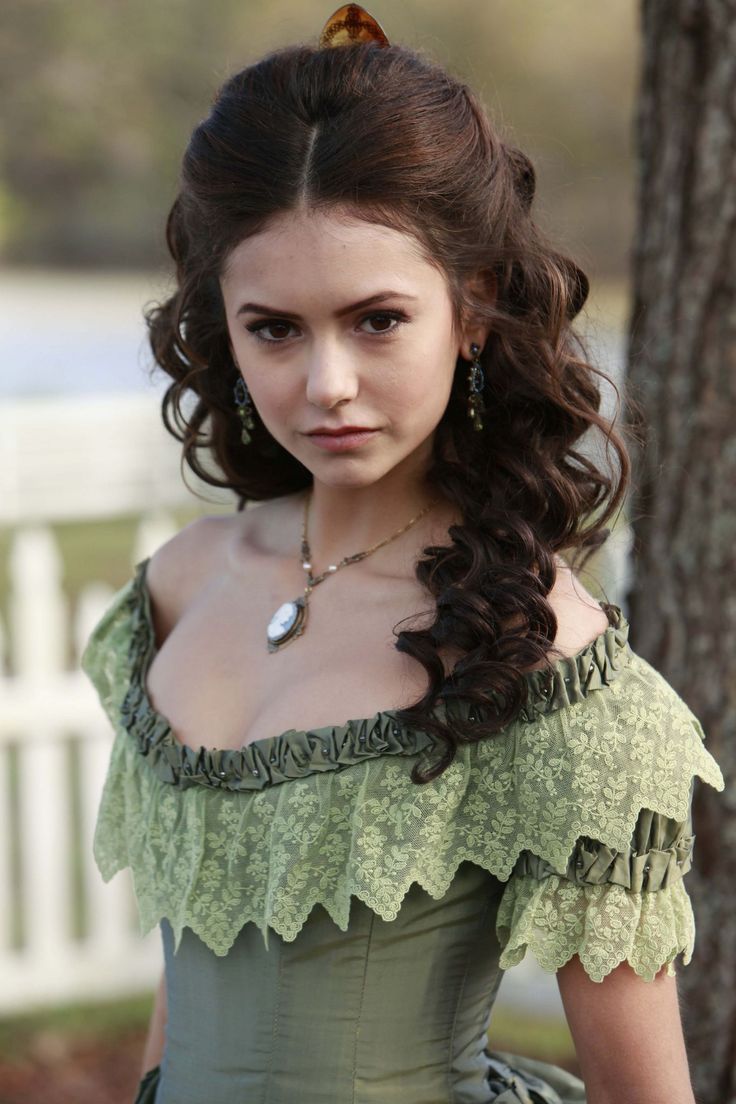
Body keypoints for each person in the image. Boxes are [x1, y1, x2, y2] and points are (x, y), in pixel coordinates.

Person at [80, 6, 724, 1103]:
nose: (324, 384)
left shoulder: (538, 651)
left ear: (470, 312)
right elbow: (185, 975)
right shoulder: (181, 588)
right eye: (274, 328)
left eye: (376, 320)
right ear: (223, 328)